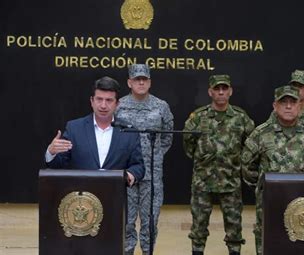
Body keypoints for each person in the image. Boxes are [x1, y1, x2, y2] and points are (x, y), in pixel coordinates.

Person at [241, 85, 304, 255]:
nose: (288, 106)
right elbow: (247, 167)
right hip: (269, 203)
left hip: (302, 207)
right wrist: (263, 188)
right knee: (269, 245)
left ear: (299, 106)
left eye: (292, 102)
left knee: (300, 247)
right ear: (275, 106)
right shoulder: (261, 133)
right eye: (283, 102)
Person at [183, 74, 254, 255]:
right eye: (217, 89)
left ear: (230, 91)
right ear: (210, 92)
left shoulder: (240, 117)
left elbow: (252, 144)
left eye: (224, 89)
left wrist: (238, 162)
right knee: (198, 227)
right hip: (202, 182)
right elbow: (188, 143)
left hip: (230, 182)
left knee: (234, 228)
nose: (221, 92)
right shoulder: (198, 117)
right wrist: (203, 160)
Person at [115, 64, 174, 255]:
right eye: (137, 79)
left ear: (149, 82)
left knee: (150, 221)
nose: (141, 82)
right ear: (129, 82)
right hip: (127, 174)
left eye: (144, 79)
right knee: (127, 221)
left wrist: (154, 156)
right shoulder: (119, 105)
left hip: (152, 175)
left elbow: (167, 137)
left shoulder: (161, 106)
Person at [45, 76, 144, 186]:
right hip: (81, 197)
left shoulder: (129, 132)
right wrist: (51, 152)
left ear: (117, 104)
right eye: (99, 99)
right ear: (92, 101)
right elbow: (58, 164)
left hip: (115, 197)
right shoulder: (74, 128)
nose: (103, 105)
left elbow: (138, 166)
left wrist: (131, 175)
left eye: (109, 100)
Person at [265, 69, 304, 171]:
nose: (297, 89)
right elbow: (267, 136)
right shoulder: (278, 112)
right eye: (294, 85)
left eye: (301, 86)